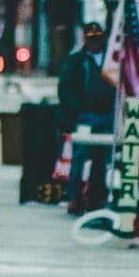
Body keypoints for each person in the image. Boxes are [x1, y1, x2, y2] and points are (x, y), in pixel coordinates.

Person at [57, 21, 114, 214]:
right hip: (86, 115)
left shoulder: (112, 60)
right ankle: (74, 197)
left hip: (107, 115)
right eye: (91, 39)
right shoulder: (77, 61)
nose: (95, 43)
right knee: (79, 155)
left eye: (98, 39)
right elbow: (65, 88)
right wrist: (77, 110)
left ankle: (96, 196)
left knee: (102, 156)